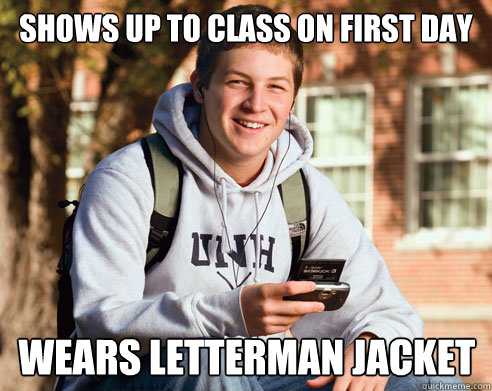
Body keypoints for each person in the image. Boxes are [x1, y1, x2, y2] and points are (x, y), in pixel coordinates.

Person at [62, 4, 463, 391]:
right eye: (238, 82)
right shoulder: (131, 176)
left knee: (430, 380)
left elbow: (387, 309)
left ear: (292, 100)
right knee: (205, 365)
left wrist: (373, 344)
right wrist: (231, 314)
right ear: (200, 86)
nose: (256, 104)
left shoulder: (303, 189)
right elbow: (102, 319)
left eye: (275, 87)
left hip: (263, 375)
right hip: (136, 375)